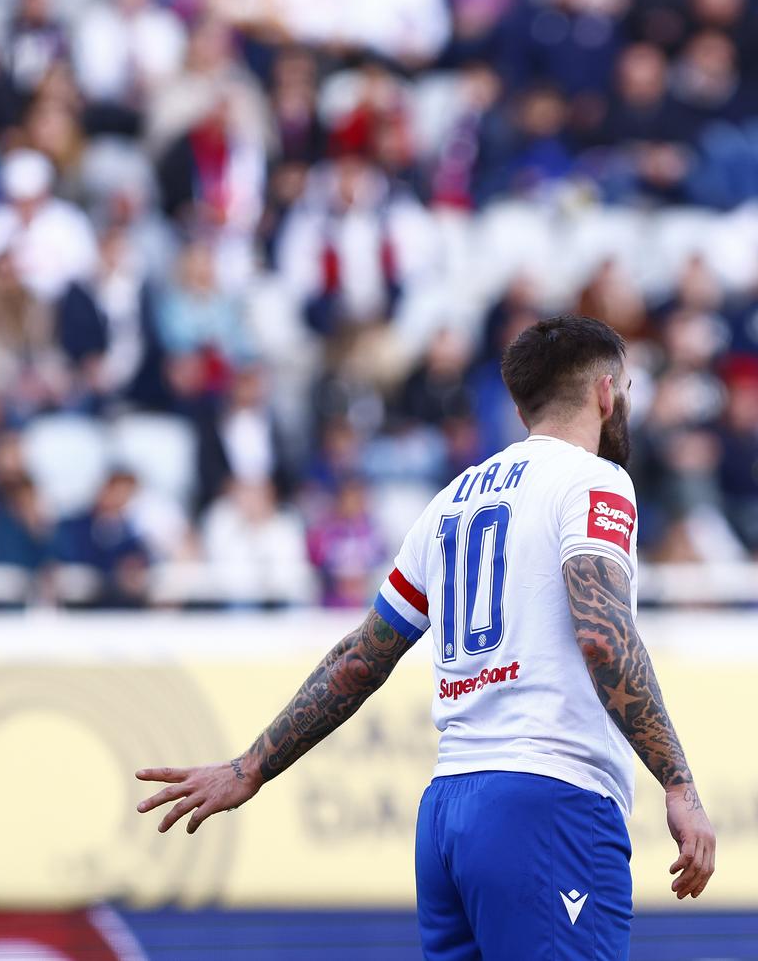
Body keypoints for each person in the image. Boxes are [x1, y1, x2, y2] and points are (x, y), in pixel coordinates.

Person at [137, 314, 716, 959]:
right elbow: (604, 637)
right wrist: (678, 784)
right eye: (628, 390)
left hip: (447, 814)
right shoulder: (595, 481)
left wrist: (251, 767)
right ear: (606, 394)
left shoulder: (451, 500)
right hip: (548, 799)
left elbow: (362, 658)